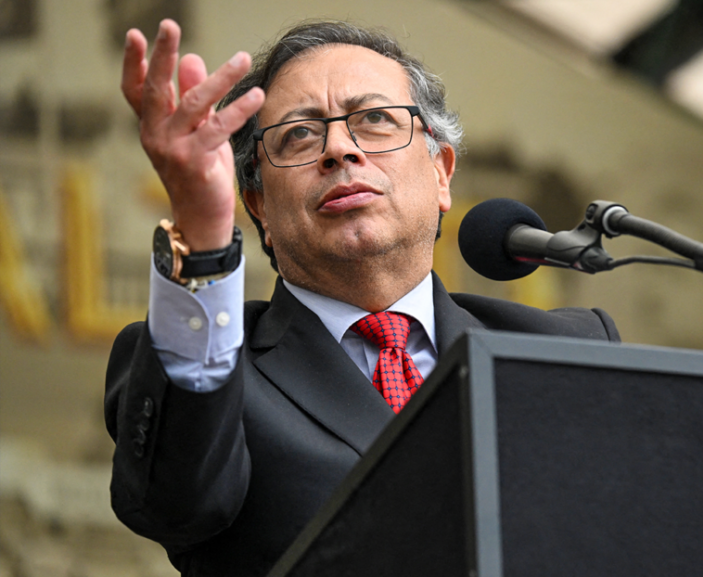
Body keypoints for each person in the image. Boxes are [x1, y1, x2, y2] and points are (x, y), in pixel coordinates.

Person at [104, 18, 619, 577]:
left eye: (374, 120)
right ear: (259, 208)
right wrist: (202, 232)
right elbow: (178, 508)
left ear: (441, 172)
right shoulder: (211, 366)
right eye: (299, 134)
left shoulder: (567, 349)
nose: (340, 149)